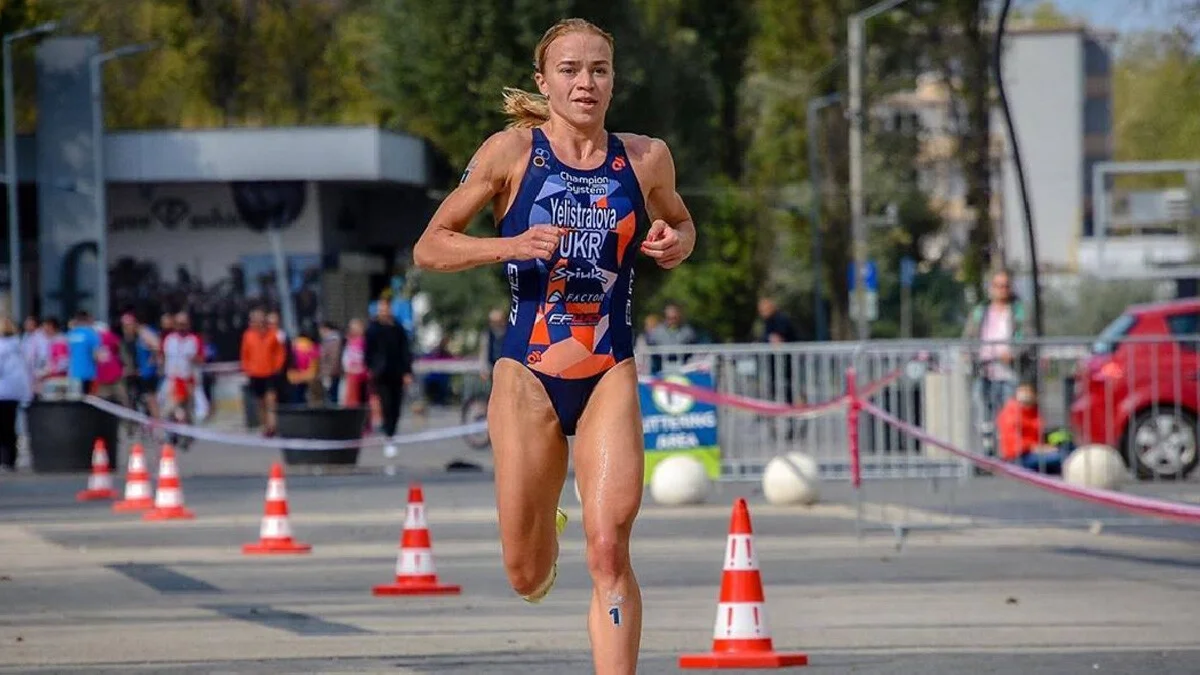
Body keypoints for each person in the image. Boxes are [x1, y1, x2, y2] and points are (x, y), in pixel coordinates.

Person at [411, 18, 696, 674]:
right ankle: (544, 529)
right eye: (569, 70)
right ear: (544, 82)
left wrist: (675, 243)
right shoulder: (511, 153)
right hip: (528, 374)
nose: (585, 82)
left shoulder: (645, 158)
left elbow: (681, 223)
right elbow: (430, 246)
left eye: (599, 69)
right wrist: (509, 244)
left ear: (614, 81)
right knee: (525, 572)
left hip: (609, 368)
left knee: (609, 549)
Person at [364, 299, 414, 459]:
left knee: (396, 405)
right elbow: (368, 350)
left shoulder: (398, 328)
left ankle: (392, 432)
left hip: (396, 372)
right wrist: (370, 367)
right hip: (380, 373)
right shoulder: (373, 328)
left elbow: (405, 351)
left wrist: (407, 371)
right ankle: (388, 434)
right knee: (385, 403)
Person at [241, 308, 287, 435]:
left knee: (271, 400)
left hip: (270, 372)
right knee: (260, 402)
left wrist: (278, 366)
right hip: (255, 374)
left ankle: (272, 425)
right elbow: (245, 354)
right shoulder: (248, 335)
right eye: (255, 320)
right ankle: (265, 425)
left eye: (260, 320)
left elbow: (280, 352)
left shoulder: (273, 334)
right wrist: (247, 368)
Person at [0, 318, 32, 472]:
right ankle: (10, 459)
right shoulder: (19, 345)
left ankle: (4, 458)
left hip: (2, 390)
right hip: (16, 391)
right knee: (10, 426)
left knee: (2, 428)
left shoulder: (1, 347)